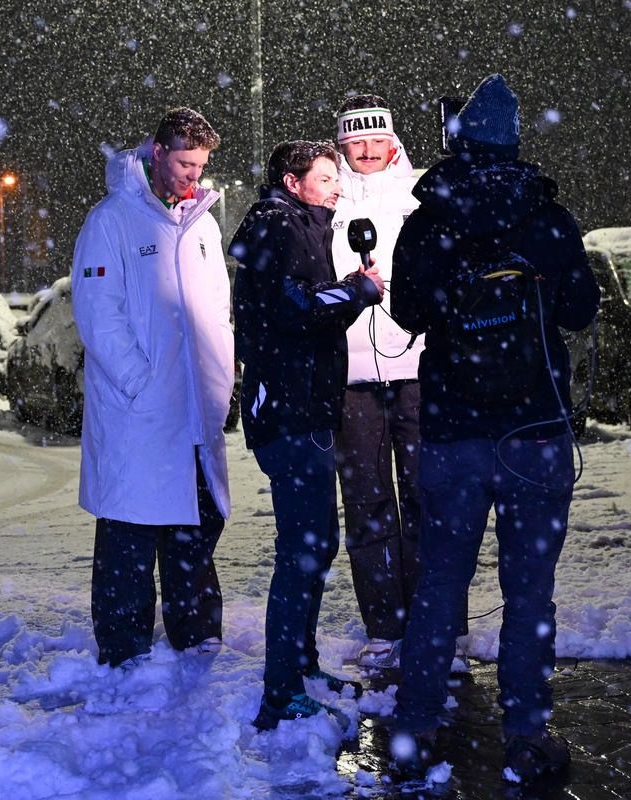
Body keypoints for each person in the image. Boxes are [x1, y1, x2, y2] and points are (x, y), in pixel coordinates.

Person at [387, 75, 600, 782]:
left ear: (460, 141)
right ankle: (526, 737)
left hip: (453, 431)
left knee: (440, 585)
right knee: (530, 592)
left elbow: (408, 312)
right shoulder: (547, 217)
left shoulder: (430, 218)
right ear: (512, 142)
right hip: (534, 431)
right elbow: (579, 310)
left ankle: (415, 728)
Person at [71, 107, 235, 669]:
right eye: (186, 163)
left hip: (193, 405)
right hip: (139, 408)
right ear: (158, 153)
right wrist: (140, 381)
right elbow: (98, 314)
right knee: (130, 529)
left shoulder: (202, 222)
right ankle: (124, 644)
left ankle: (197, 628)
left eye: (201, 165)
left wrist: (220, 377)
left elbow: (217, 311)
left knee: (194, 520)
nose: (194, 174)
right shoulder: (112, 220)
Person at [230, 140, 385, 730]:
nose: (336, 186)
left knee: (318, 545)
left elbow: (302, 305)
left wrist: (346, 290)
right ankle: (280, 692)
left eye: (335, 178)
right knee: (301, 551)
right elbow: (293, 306)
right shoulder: (279, 225)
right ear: (293, 183)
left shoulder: (301, 226)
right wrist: (356, 291)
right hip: (290, 413)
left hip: (307, 408)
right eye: (324, 177)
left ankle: (301, 667)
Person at [329, 94, 434, 670]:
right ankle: (384, 625)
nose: (366, 152)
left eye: (375, 141)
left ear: (392, 141)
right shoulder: (329, 198)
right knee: (367, 502)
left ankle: (435, 621)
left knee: (427, 496)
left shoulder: (421, 192)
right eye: (355, 143)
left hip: (418, 368)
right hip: (352, 376)